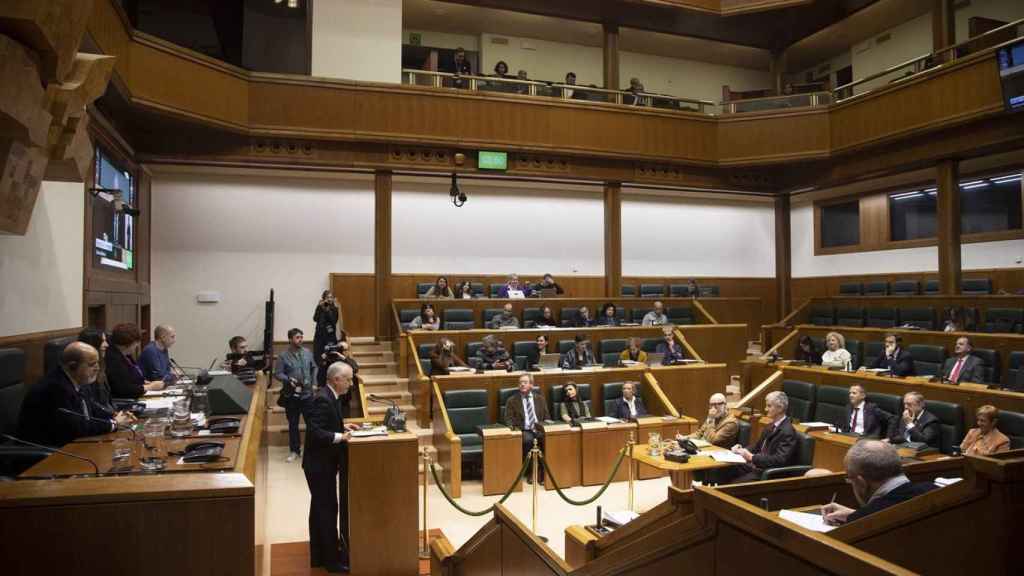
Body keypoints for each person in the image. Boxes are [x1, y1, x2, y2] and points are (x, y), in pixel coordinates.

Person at [303, 361, 361, 573]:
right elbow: (315, 432)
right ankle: (331, 561)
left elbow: (326, 423)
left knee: (319, 510)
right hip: (318, 466)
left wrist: (341, 426)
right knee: (327, 510)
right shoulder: (323, 399)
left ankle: (318, 555)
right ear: (336, 380)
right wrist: (340, 436)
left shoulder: (331, 396)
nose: (351, 383)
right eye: (348, 379)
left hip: (323, 464)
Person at [17, 342, 134, 447]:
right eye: (92, 364)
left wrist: (113, 415)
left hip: (70, 445)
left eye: (97, 363)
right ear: (72, 366)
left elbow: (90, 407)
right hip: (47, 454)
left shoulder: (75, 380)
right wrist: (113, 424)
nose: (97, 368)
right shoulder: (55, 388)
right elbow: (77, 427)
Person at [821, 440, 938, 525]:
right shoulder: (934, 489)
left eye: (849, 479)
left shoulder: (864, 523)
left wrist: (858, 517)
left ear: (861, 482)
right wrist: (854, 514)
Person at [721, 391, 798, 483]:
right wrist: (741, 450)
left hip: (768, 473)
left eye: (769, 406)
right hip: (757, 467)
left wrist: (752, 457)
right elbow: (757, 447)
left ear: (780, 408)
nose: (765, 409)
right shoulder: (770, 425)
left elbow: (780, 460)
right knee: (724, 469)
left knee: (734, 484)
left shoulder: (788, 431)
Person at [276, 328, 317, 462]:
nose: (300, 339)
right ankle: (295, 451)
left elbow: (314, 367)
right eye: (297, 337)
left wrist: (314, 382)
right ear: (290, 339)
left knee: (311, 423)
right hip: (292, 395)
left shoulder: (307, 352)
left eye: (301, 337)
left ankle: (312, 450)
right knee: (293, 424)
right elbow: (278, 373)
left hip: (307, 394)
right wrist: (288, 379)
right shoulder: (283, 356)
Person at [503, 373, 549, 483]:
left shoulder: (540, 399)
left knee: (548, 439)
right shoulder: (512, 400)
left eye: (525, 382)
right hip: (524, 430)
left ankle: (543, 472)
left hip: (539, 429)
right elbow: (508, 419)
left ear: (531, 385)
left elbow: (547, 417)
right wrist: (514, 429)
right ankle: (531, 471)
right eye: (520, 383)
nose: (522, 385)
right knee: (528, 440)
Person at [106, 323, 165, 399]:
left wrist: (144, 383)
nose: (137, 346)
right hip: (125, 401)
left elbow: (132, 378)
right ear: (128, 343)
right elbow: (124, 389)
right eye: (136, 342)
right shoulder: (113, 360)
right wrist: (150, 387)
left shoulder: (126, 354)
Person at [77, 328, 114, 418]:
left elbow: (107, 402)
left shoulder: (102, 365)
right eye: (103, 341)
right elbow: (91, 405)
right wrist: (113, 417)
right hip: (100, 420)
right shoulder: (83, 372)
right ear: (92, 344)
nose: (107, 345)